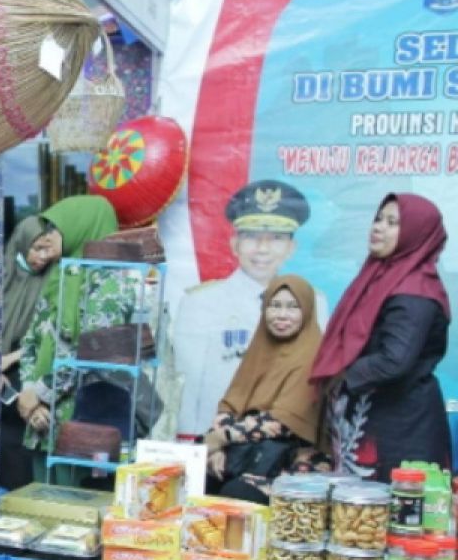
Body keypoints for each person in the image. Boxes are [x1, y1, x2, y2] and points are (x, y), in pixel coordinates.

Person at [311, 193, 451, 481]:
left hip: (401, 432)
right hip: (375, 421)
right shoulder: (381, 277)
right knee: (358, 522)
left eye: (392, 222)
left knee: (392, 521)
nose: (378, 227)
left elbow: (394, 361)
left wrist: (343, 377)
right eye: (378, 219)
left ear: (416, 233)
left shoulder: (415, 291)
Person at [175, 180, 329, 438]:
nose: (263, 249)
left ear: (292, 247)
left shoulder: (314, 301)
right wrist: (191, 443)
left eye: (277, 238)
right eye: (252, 237)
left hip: (285, 440)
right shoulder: (201, 302)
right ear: (234, 243)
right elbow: (188, 385)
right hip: (217, 440)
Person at [16, 196, 130, 483]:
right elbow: (32, 341)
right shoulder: (61, 277)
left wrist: (39, 394)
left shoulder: (109, 283)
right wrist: (29, 393)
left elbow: (92, 358)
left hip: (81, 423)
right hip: (41, 422)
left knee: (75, 512)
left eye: (55, 229)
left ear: (82, 226)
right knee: (42, 509)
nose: (49, 236)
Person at [205, 275, 331, 503]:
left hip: (289, 465)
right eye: (275, 305)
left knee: (234, 496)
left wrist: (221, 438)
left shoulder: (313, 355)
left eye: (293, 307)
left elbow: (282, 423)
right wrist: (216, 450)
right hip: (245, 453)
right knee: (198, 482)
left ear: (308, 311)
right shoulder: (260, 349)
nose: (282, 315)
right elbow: (231, 404)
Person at [0, 216, 61, 490]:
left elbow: (48, 336)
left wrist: (9, 359)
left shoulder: (52, 280)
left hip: (23, 376)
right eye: (36, 248)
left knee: (18, 460)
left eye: (47, 249)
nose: (42, 257)